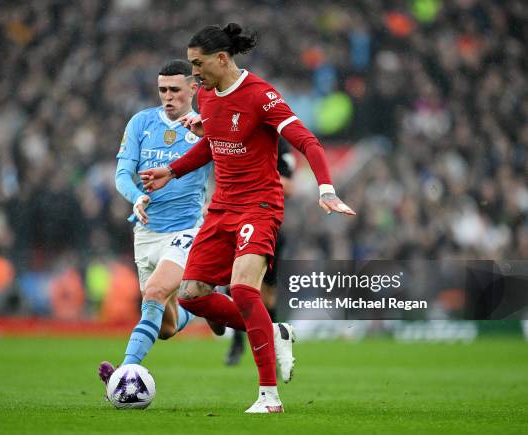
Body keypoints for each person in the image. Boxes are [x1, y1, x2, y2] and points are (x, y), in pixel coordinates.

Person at [140, 24, 356, 413]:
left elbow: (307, 141)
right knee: (192, 296)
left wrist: (326, 188)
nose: (194, 74)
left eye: (198, 64)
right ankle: (274, 332)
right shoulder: (206, 96)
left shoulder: (261, 96)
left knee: (242, 290)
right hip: (222, 207)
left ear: (222, 59)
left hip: (260, 205)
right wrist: (172, 171)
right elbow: (213, 143)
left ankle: (269, 397)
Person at [98, 59, 215, 387]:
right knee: (164, 327)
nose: (168, 96)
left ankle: (122, 373)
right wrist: (135, 196)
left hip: (187, 229)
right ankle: (206, 308)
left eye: (175, 89)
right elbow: (122, 173)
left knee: (154, 293)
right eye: (163, 89)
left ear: (193, 88)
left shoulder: (206, 125)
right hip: (146, 232)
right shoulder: (141, 122)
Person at [225, 139, 295, 366]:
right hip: (236, 221)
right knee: (236, 285)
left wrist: (256, 181)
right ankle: (237, 342)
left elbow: (290, 187)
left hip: (268, 225)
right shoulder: (238, 137)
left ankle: (274, 345)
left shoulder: (280, 146)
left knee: (267, 294)